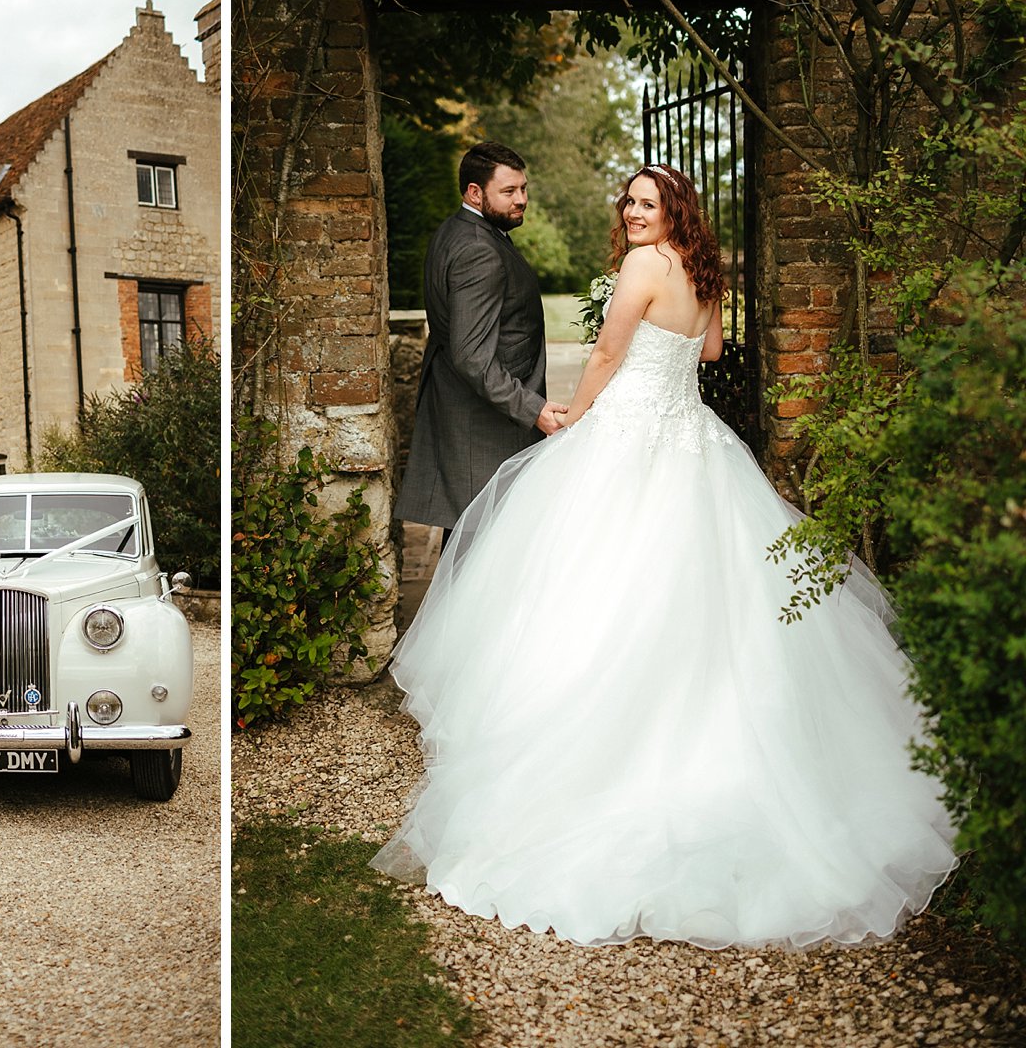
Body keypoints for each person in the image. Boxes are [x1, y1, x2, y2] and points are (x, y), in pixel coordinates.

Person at [372, 164, 956, 949]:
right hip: (692, 440)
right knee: (705, 595)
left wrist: (572, 419)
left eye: (647, 202)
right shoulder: (702, 272)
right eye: (629, 200)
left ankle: (593, 757)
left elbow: (608, 356)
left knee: (595, 590)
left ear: (670, 209)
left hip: (626, 438)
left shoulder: (643, 266)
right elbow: (709, 351)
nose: (633, 211)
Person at [395, 141, 569, 538]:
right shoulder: (479, 249)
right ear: (475, 191)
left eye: (523, 189)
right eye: (509, 192)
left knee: (473, 544)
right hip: (484, 422)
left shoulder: (458, 230)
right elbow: (473, 355)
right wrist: (533, 409)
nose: (521, 200)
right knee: (486, 543)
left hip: (462, 407)